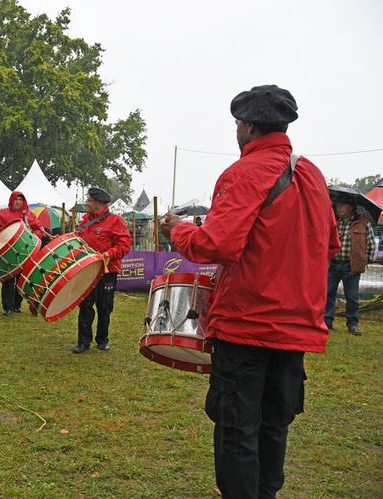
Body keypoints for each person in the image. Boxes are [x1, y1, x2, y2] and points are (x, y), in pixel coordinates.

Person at [161, 85, 340, 498]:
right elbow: (329, 245)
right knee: (275, 424)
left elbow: (216, 245)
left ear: (248, 126)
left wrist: (178, 229)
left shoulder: (244, 172)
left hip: (246, 326)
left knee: (238, 428)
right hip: (296, 330)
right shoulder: (312, 175)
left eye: (237, 124)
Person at [72, 187, 132, 353]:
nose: (87, 203)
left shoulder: (116, 221)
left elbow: (124, 245)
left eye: (90, 200)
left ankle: (102, 340)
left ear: (99, 203)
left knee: (104, 307)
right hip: (86, 271)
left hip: (107, 271)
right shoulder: (84, 221)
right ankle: (83, 342)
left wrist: (109, 254)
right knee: (85, 306)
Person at [0, 191, 49, 315]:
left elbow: (39, 229)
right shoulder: (2, 213)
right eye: (16, 199)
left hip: (26, 252)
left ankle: (17, 305)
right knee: (8, 280)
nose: (18, 201)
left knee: (20, 280)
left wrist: (38, 234)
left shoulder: (28, 215)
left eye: (20, 199)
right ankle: (7, 307)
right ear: (11, 200)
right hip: (8, 252)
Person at [324, 198, 376, 335]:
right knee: (328, 294)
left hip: (351, 266)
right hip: (332, 264)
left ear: (351, 206)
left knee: (352, 296)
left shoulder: (363, 223)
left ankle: (353, 324)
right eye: (337, 205)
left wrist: (364, 261)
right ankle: (326, 322)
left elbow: (371, 245)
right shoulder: (333, 222)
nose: (338, 208)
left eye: (342, 204)